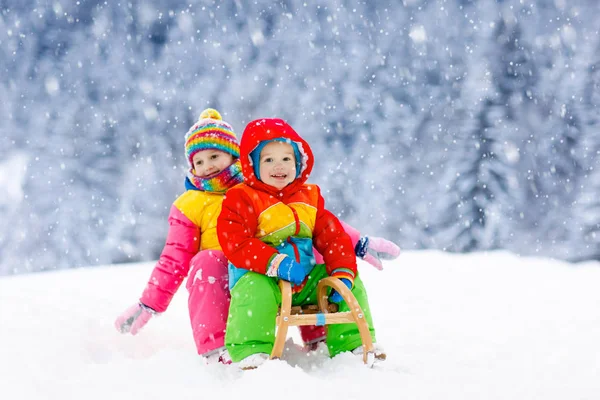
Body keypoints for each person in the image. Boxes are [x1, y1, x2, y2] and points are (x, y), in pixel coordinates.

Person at [114, 109, 400, 365]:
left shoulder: (262, 184)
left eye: (215, 155)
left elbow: (318, 222)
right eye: (199, 161)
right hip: (239, 273)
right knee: (208, 261)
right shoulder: (192, 204)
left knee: (318, 255)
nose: (208, 165)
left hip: (275, 266)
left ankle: (325, 335)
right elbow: (174, 258)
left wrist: (358, 244)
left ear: (236, 156)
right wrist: (149, 303)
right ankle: (219, 350)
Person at [217, 117, 387, 370]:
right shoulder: (242, 198)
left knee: (348, 285)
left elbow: (333, 237)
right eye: (268, 159)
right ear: (252, 164)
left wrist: (342, 272)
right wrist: (275, 263)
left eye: (287, 158)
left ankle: (352, 343)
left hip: (305, 279)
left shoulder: (309, 198)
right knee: (255, 291)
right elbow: (236, 241)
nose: (279, 166)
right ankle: (251, 351)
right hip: (263, 277)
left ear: (299, 163)